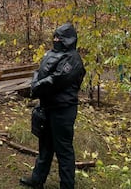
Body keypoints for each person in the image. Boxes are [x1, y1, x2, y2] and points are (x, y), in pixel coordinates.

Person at [20, 23, 86, 189]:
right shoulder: (51, 53)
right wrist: (35, 83)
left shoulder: (73, 59)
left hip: (63, 109)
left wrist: (36, 87)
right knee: (45, 146)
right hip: (47, 107)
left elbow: (57, 80)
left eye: (60, 38)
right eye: (55, 37)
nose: (56, 40)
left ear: (69, 40)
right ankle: (37, 179)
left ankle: (67, 185)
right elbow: (40, 71)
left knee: (63, 150)